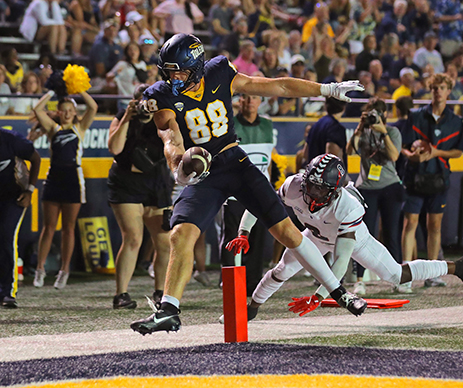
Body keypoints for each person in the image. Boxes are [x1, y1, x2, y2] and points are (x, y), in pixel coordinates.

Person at [130, 33, 366, 335]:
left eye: (180, 71)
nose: (173, 78)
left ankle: (338, 291)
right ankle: (169, 310)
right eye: (169, 71)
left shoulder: (220, 72)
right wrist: (178, 165)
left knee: (286, 232)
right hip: (203, 172)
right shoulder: (162, 95)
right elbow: (169, 136)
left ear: (198, 67)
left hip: (235, 162)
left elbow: (276, 85)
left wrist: (326, 89)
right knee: (180, 235)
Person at [225, 155, 463, 320]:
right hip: (314, 236)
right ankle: (251, 310)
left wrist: (320, 295)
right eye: (309, 185)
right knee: (282, 270)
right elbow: (261, 204)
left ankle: (459, 267)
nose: (310, 193)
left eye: (318, 189)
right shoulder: (294, 186)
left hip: (352, 239)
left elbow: (340, 261)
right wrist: (244, 231)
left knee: (396, 275)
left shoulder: (347, 207)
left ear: (334, 191)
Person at [107, 84, 173, 309]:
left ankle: (161, 292)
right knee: (133, 238)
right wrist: (126, 118)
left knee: (164, 242)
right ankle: (121, 294)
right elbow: (114, 148)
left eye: (149, 100)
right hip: (127, 183)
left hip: (156, 183)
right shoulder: (123, 117)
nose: (145, 105)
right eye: (140, 100)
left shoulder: (163, 119)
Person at [401, 73, 463, 290]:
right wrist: (412, 155)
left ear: (449, 90)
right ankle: (406, 274)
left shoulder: (456, 121)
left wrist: (436, 152)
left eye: (442, 88)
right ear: (430, 90)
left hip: (439, 178)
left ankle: (431, 275)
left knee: (434, 226)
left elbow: (458, 151)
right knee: (410, 222)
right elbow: (403, 145)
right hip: (415, 176)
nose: (438, 91)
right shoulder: (416, 116)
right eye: (434, 88)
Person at [31, 90, 98, 289]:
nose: (68, 113)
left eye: (71, 110)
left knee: (69, 228)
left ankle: (64, 270)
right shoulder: (53, 128)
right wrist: (51, 92)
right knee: (49, 227)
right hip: (54, 177)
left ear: (75, 112)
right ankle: (40, 269)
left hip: (73, 179)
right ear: (59, 112)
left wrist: (79, 90)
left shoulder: (80, 128)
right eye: (64, 110)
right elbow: (37, 108)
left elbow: (93, 107)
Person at [346, 97, 406, 295]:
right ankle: (360, 279)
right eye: (370, 113)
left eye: (376, 114)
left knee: (391, 233)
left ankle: (399, 279)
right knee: (363, 235)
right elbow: (349, 151)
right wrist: (360, 128)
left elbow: (394, 156)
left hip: (389, 186)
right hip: (367, 188)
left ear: (384, 115)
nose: (373, 118)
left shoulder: (393, 131)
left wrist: (384, 133)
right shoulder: (364, 132)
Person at [219, 94, 275, 296]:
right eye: (246, 97)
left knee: (258, 240)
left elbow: (268, 158)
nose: (250, 101)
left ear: (261, 101)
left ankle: (253, 284)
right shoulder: (229, 125)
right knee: (232, 239)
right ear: (239, 101)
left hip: (259, 194)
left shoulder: (268, 126)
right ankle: (230, 282)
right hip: (235, 195)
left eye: (255, 98)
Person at [0, 129, 41, 308]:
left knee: (6, 236)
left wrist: (29, 190)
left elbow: (35, 158)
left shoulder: (10, 139)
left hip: (13, 196)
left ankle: (8, 291)